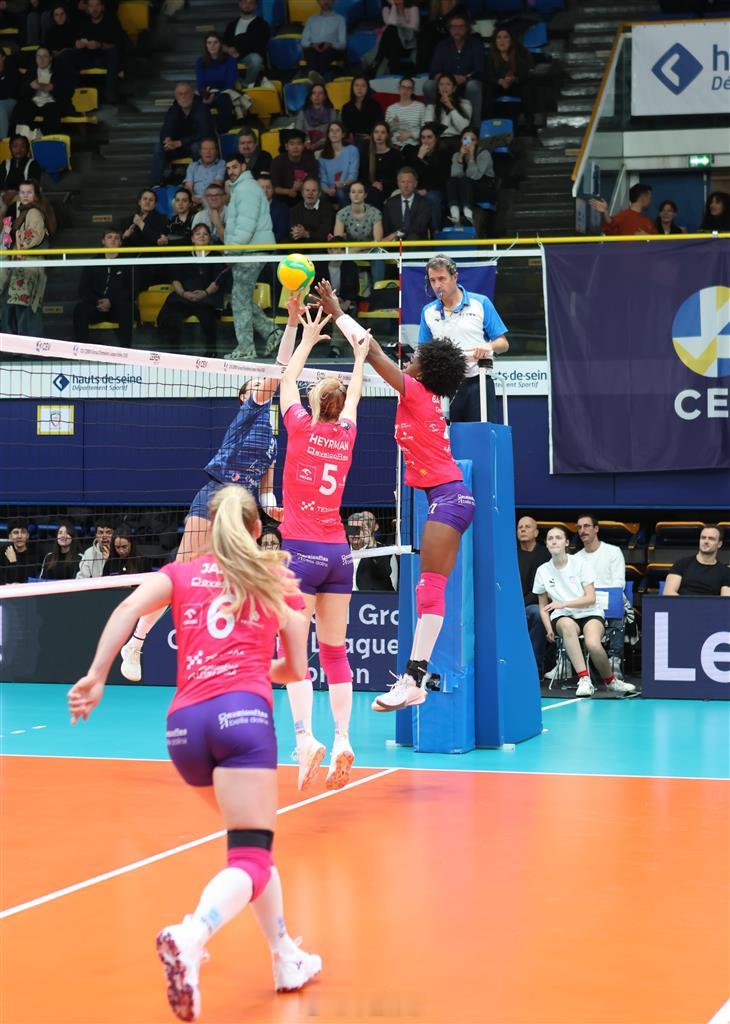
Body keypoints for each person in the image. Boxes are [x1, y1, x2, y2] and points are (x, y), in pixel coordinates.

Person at [68, 484, 321, 1022]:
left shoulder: (181, 574)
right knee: (251, 855)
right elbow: (296, 670)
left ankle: (285, 958)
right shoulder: (275, 577)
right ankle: (191, 934)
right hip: (242, 720)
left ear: (209, 525)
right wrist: (250, 667)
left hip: (184, 729)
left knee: (252, 847)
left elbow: (127, 608)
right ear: (257, 528)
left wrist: (96, 674)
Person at [119, 296, 302, 682]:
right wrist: (291, 324)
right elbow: (281, 368)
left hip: (243, 510)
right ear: (246, 395)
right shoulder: (251, 410)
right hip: (216, 495)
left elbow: (266, 488)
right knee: (182, 571)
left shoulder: (272, 440)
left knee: (236, 580)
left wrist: (272, 507)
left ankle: (233, 657)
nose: (262, 385)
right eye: (256, 384)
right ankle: (136, 641)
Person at [314, 279, 475, 712]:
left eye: (417, 356)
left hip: (449, 498)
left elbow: (370, 350)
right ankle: (414, 680)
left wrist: (337, 311)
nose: (411, 358)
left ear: (425, 371)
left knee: (429, 589)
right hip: (447, 498)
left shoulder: (416, 393)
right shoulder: (422, 397)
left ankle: (413, 680)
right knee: (430, 589)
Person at [278, 303, 369, 790]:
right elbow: (354, 397)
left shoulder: (299, 426)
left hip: (300, 553)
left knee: (294, 651)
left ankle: (304, 739)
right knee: (335, 652)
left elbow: (286, 378)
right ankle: (342, 738)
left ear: (314, 404)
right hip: (338, 554)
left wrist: (308, 338)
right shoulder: (346, 434)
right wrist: (359, 358)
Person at [533, 526, 634, 698]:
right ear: (547, 544)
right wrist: (549, 628)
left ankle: (611, 681)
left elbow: (591, 598)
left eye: (558, 538)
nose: (554, 541)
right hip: (563, 616)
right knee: (567, 626)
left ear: (566, 543)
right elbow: (543, 606)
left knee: (593, 644)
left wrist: (563, 603)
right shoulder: (542, 570)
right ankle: (584, 679)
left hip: (589, 613)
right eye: (550, 538)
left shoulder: (580, 564)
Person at [419, 254, 508, 422]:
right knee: (447, 436)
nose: (437, 285)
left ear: (455, 277)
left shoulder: (481, 303)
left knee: (480, 436)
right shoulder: (428, 312)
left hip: (479, 383)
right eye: (432, 280)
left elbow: (503, 344)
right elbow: (422, 352)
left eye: (442, 279)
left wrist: (489, 346)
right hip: (443, 386)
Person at [224, 153, 280, 360]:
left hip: (250, 251)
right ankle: (272, 332)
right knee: (241, 298)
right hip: (250, 250)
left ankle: (246, 348)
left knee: (239, 299)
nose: (231, 171)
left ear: (243, 166)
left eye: (234, 167)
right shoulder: (244, 188)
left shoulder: (246, 189)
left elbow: (245, 226)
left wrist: (231, 251)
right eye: (228, 168)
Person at [573, 514, 627, 679]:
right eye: (579, 527)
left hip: (609, 598)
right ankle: (566, 662)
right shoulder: (576, 558)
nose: (582, 530)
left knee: (618, 603)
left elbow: (618, 583)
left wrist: (597, 596)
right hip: (586, 602)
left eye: (586, 526)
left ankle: (614, 659)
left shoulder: (613, 551)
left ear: (596, 529)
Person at [1, 179, 56, 337]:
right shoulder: (24, 211)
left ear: (36, 194)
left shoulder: (34, 212)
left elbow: (34, 237)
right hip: (22, 266)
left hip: (30, 266)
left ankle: (28, 346)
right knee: (19, 307)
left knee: (27, 308)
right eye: (22, 192)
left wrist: (13, 233)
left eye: (29, 192)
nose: (25, 195)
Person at [157, 222, 223, 353]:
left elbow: (217, 280)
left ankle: (211, 353)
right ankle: (174, 353)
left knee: (208, 319)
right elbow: (175, 279)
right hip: (183, 297)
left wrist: (204, 293)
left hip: (206, 298)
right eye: (198, 234)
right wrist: (183, 293)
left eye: (205, 234)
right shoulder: (183, 255)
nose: (201, 237)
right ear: (192, 238)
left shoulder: (216, 256)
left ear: (210, 238)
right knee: (172, 318)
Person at [73, 228, 133, 346]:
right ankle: (82, 349)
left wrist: (111, 301)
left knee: (127, 309)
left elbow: (131, 289)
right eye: (109, 237)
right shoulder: (93, 263)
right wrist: (97, 301)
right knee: (80, 309)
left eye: (116, 238)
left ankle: (126, 351)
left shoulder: (127, 263)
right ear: (103, 241)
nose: (113, 240)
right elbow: (83, 289)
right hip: (96, 306)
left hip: (117, 307)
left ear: (121, 243)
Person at [149, 82, 216, 188]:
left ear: (192, 94)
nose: (184, 96)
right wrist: (167, 139)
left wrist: (180, 142)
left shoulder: (201, 108)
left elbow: (204, 133)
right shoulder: (174, 109)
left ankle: (200, 181)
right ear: (176, 97)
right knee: (159, 147)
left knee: (197, 147)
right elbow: (165, 128)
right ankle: (155, 185)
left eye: (186, 93)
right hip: (178, 148)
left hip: (194, 146)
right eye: (180, 94)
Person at [424, 12, 484, 127]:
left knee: (473, 86)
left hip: (468, 82)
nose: (457, 30)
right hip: (446, 84)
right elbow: (434, 72)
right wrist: (448, 80)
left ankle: (474, 128)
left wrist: (466, 78)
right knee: (428, 85)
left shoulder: (475, 44)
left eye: (461, 27)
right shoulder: (442, 46)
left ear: (467, 28)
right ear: (449, 29)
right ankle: (431, 125)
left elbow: (479, 69)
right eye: (454, 27)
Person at [10, 45, 75, 135]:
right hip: (34, 103)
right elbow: (22, 92)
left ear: (50, 58)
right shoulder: (31, 71)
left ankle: (49, 140)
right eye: (38, 56)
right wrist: (31, 87)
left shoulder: (60, 70)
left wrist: (52, 87)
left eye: (45, 56)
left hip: (53, 103)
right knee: (20, 108)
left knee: (52, 112)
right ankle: (22, 138)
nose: (41, 59)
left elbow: (69, 91)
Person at [401, 122, 449, 233]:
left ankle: (435, 232)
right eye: (423, 137)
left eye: (429, 137)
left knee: (431, 198)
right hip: (414, 189)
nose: (426, 141)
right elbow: (409, 175)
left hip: (435, 190)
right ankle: (405, 233)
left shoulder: (443, 154)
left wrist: (426, 190)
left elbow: (442, 178)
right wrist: (420, 157)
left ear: (436, 139)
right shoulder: (413, 152)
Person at [516, 516, 549, 676]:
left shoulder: (545, 555)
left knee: (537, 612)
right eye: (520, 527)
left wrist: (519, 607)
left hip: (534, 604)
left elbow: (541, 591)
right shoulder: (511, 554)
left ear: (536, 532)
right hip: (512, 605)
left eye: (527, 527)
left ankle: (534, 668)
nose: (522, 529)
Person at [446, 127, 496, 226]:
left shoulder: (484, 154)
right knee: (451, 181)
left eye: (472, 139)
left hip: (483, 188)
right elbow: (455, 175)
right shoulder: (456, 155)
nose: (468, 142)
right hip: (465, 190)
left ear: (476, 141)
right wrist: (460, 158)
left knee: (465, 180)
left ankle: (468, 213)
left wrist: (472, 157)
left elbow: (475, 176)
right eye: (465, 139)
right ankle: (455, 213)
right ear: (461, 140)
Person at [663, 526, 730, 597]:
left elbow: (725, 600)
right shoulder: (681, 564)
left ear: (719, 544)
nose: (706, 541)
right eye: (703, 538)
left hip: (710, 604)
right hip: (681, 603)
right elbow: (668, 592)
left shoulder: (726, 572)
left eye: (711, 539)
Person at [484, 25, 532, 122]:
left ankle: (529, 122)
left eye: (505, 37)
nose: (502, 41)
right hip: (498, 88)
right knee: (488, 88)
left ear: (511, 40)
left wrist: (514, 79)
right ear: (495, 41)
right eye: (499, 37)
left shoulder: (519, 54)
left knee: (527, 86)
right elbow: (489, 75)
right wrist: (500, 81)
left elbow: (524, 75)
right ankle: (488, 122)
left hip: (515, 87)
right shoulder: (490, 56)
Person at [195, 32, 239, 133]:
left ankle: (224, 132)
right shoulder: (200, 61)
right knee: (192, 100)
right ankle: (202, 133)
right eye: (209, 43)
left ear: (220, 45)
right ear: (206, 45)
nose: (212, 45)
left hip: (225, 92)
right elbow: (200, 84)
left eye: (215, 42)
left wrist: (214, 95)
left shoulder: (230, 60)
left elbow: (230, 84)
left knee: (223, 99)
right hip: (207, 93)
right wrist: (205, 95)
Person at [222, 0, 269, 86]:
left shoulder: (262, 24)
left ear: (255, 6)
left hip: (249, 56)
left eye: (250, 3)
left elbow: (259, 45)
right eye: (244, 2)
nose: (247, 5)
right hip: (231, 56)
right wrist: (228, 50)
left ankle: (246, 85)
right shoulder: (232, 24)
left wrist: (238, 51)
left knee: (256, 59)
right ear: (240, 4)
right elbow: (223, 43)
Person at [347, 511, 396, 592]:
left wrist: (371, 546)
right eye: (352, 529)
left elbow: (384, 572)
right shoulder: (340, 552)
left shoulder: (381, 550)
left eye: (359, 529)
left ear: (367, 531)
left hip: (370, 598)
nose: (355, 534)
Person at [270, 128, 319, 207]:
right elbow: (273, 188)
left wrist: (303, 186)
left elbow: (315, 184)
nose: (295, 147)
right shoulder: (277, 161)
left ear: (303, 146)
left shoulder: (311, 161)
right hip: (283, 198)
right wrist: (289, 191)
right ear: (286, 146)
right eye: (292, 144)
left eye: (299, 144)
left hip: (305, 197)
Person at [382, 166, 432, 241]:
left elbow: (419, 228)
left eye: (409, 182)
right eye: (403, 182)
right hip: (395, 244)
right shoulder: (390, 203)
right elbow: (386, 230)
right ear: (398, 183)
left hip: (416, 244)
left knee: (413, 238)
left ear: (415, 184)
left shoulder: (425, 203)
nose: (406, 185)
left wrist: (397, 234)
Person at [0, 134, 42, 220]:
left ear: (27, 149)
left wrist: (14, 192)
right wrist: (4, 192)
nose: (18, 150)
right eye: (15, 146)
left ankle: (15, 226)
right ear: (10, 148)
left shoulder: (33, 164)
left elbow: (32, 184)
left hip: (23, 195)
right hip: (5, 195)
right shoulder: (5, 163)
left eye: (22, 146)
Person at [301, 0, 346, 80]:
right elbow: (303, 41)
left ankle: (315, 80)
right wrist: (312, 44)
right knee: (310, 52)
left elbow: (343, 44)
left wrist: (330, 44)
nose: (326, 1)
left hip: (331, 48)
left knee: (325, 54)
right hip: (313, 48)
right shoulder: (311, 19)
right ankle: (319, 79)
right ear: (318, 2)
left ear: (333, 1)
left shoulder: (340, 19)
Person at [372, 0, 419, 75]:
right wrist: (393, 6)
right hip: (394, 42)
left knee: (391, 30)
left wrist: (399, 25)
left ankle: (377, 60)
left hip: (408, 41)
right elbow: (391, 23)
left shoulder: (413, 8)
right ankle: (394, 67)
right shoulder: (386, 9)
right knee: (391, 30)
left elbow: (414, 27)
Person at [318, 121, 359, 207]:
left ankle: (347, 214)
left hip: (347, 185)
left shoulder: (352, 150)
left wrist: (343, 184)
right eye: (331, 130)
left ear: (343, 134)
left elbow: (353, 175)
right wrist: (328, 190)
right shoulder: (323, 155)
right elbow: (323, 179)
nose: (334, 133)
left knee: (340, 191)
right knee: (320, 194)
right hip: (329, 188)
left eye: (337, 130)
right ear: (328, 134)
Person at [590, 184, 657, 236]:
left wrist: (647, 238)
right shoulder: (623, 216)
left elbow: (659, 244)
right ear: (643, 197)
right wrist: (605, 212)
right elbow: (610, 226)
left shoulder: (649, 222)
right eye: (650, 198)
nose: (650, 201)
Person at [424, 72, 472, 144]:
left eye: (448, 84)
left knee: (468, 139)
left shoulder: (465, 104)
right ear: (438, 89)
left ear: (454, 88)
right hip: (438, 142)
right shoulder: (431, 107)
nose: (444, 87)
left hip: (458, 140)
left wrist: (450, 107)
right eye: (441, 84)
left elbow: (464, 129)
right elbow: (428, 131)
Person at [364, 121, 401, 209]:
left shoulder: (395, 154)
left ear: (387, 135)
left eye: (383, 132)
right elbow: (363, 176)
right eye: (376, 132)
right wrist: (373, 183)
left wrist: (383, 184)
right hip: (372, 188)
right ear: (372, 135)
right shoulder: (367, 154)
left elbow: (399, 177)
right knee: (371, 192)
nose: (379, 135)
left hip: (390, 188)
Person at [290, 176, 336, 245]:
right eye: (307, 190)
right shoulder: (295, 209)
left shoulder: (327, 209)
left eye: (314, 190)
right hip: (301, 245)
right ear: (302, 193)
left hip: (320, 246)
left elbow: (326, 235)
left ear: (319, 194)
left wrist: (307, 234)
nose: (310, 193)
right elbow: (293, 234)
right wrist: (298, 233)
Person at [341, 76, 382, 152]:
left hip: (370, 138)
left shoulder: (375, 105)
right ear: (352, 88)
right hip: (351, 139)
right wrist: (347, 137)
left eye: (363, 86)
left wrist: (372, 136)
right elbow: (345, 128)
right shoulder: (346, 107)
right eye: (356, 85)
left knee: (358, 149)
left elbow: (380, 124)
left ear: (367, 88)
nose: (359, 89)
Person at [385, 76, 426, 150]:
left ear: (413, 91)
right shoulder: (391, 109)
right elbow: (386, 132)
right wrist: (393, 125)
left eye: (409, 88)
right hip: (394, 146)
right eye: (403, 87)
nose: (405, 90)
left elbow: (426, 131)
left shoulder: (420, 107)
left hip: (413, 146)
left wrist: (411, 134)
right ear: (399, 89)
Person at [294, 82, 336, 154]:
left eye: (320, 93)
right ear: (310, 96)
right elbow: (298, 133)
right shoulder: (302, 113)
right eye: (314, 93)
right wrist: (306, 143)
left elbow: (334, 133)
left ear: (324, 97)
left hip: (327, 146)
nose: (317, 95)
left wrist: (319, 144)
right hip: (306, 148)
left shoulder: (332, 113)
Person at [183, 138, 226, 208]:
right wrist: (192, 198)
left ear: (216, 152)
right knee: (177, 201)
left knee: (210, 201)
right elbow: (188, 186)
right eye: (205, 149)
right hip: (194, 198)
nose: (208, 152)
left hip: (212, 197)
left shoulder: (221, 164)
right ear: (200, 152)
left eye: (211, 149)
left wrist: (202, 199)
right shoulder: (192, 166)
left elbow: (217, 184)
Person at [1, 518, 39, 584]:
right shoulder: (2, 552)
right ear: (10, 537)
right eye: (16, 532)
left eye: (23, 532)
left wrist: (13, 562)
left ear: (27, 536)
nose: (19, 536)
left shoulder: (34, 555)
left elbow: (26, 580)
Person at [258, 173, 290, 244]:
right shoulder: (249, 207)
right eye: (261, 187)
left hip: (273, 246)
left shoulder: (282, 208)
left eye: (268, 187)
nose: (265, 191)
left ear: (273, 189)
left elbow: (281, 235)